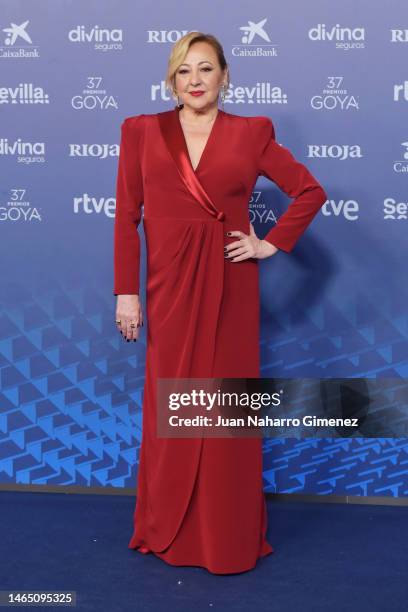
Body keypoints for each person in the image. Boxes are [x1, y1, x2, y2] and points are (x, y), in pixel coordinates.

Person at [113, 31, 327, 574]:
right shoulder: (141, 131)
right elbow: (126, 218)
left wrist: (268, 243)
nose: (195, 81)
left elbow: (310, 191)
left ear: (225, 76)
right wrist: (126, 294)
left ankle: (225, 534)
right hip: (168, 288)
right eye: (184, 71)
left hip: (231, 285)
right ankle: (169, 527)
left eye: (205, 69)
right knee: (174, 406)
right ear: (172, 80)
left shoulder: (252, 133)